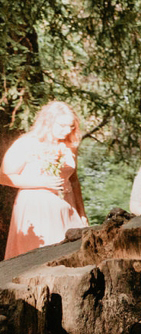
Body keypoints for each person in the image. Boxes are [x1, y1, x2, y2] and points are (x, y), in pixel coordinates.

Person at [1, 102, 86, 257]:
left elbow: (74, 181)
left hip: (66, 206)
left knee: (70, 255)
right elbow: (4, 177)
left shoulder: (69, 146)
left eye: (71, 127)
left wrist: (81, 213)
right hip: (36, 209)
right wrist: (42, 183)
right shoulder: (27, 143)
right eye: (62, 125)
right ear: (48, 122)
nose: (67, 131)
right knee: (41, 258)